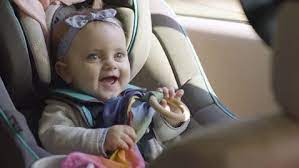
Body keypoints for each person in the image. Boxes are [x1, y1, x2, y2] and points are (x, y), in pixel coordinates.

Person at [38, 8, 190, 161]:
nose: (111, 64)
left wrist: (170, 117)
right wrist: (102, 139)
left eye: (118, 55)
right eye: (94, 57)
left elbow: (160, 135)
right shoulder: (64, 107)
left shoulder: (138, 98)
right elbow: (53, 138)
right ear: (65, 71)